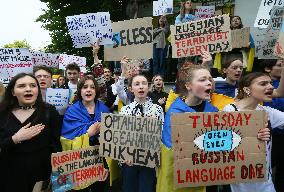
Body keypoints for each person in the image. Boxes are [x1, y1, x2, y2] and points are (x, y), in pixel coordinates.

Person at [157, 65, 218, 192]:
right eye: (202, 80)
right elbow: (170, 151)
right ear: (188, 86)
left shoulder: (214, 112)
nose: (209, 83)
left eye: (210, 80)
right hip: (175, 180)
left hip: (202, 176)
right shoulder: (175, 112)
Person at [223, 72, 284, 192]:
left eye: (271, 83)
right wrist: (252, 137)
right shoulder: (230, 111)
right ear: (247, 89)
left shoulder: (267, 112)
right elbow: (222, 143)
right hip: (238, 184)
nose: (271, 87)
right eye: (263, 84)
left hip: (265, 184)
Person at [0, 73, 61, 192]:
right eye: (22, 86)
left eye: (33, 85)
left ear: (38, 90)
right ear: (13, 92)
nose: (28, 89)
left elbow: (56, 145)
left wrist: (56, 175)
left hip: (40, 177)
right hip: (8, 175)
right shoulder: (3, 113)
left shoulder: (49, 111)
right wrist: (16, 138)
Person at [61, 75, 109, 191]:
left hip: (100, 159)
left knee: (100, 187)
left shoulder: (105, 110)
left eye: (92, 87)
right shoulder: (72, 111)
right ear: (80, 91)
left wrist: (107, 165)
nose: (88, 90)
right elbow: (66, 139)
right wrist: (88, 133)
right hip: (80, 161)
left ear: (96, 91)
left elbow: (112, 140)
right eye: (85, 87)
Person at [119, 74, 164, 192]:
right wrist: (123, 155)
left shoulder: (157, 109)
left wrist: (155, 127)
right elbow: (121, 136)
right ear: (131, 89)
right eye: (137, 84)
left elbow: (162, 133)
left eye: (144, 83)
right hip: (129, 160)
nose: (141, 87)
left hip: (149, 159)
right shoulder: (125, 110)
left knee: (147, 188)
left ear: (148, 87)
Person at [262, 59, 284, 192]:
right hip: (272, 138)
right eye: (279, 65)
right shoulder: (231, 109)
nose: (269, 87)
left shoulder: (270, 113)